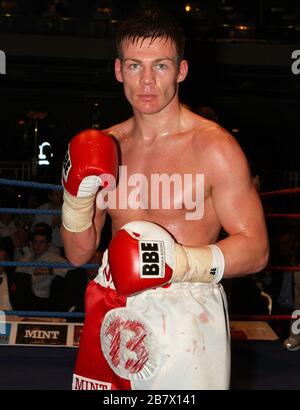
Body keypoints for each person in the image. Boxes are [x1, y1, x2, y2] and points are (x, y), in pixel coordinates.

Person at [61, 10, 269, 390]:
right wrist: (76, 202)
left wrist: (182, 262)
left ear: (182, 70)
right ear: (118, 70)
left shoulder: (213, 147)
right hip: (114, 308)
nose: (147, 81)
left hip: (187, 318)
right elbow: (77, 254)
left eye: (160, 66)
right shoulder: (106, 147)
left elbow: (256, 250)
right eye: (135, 65)